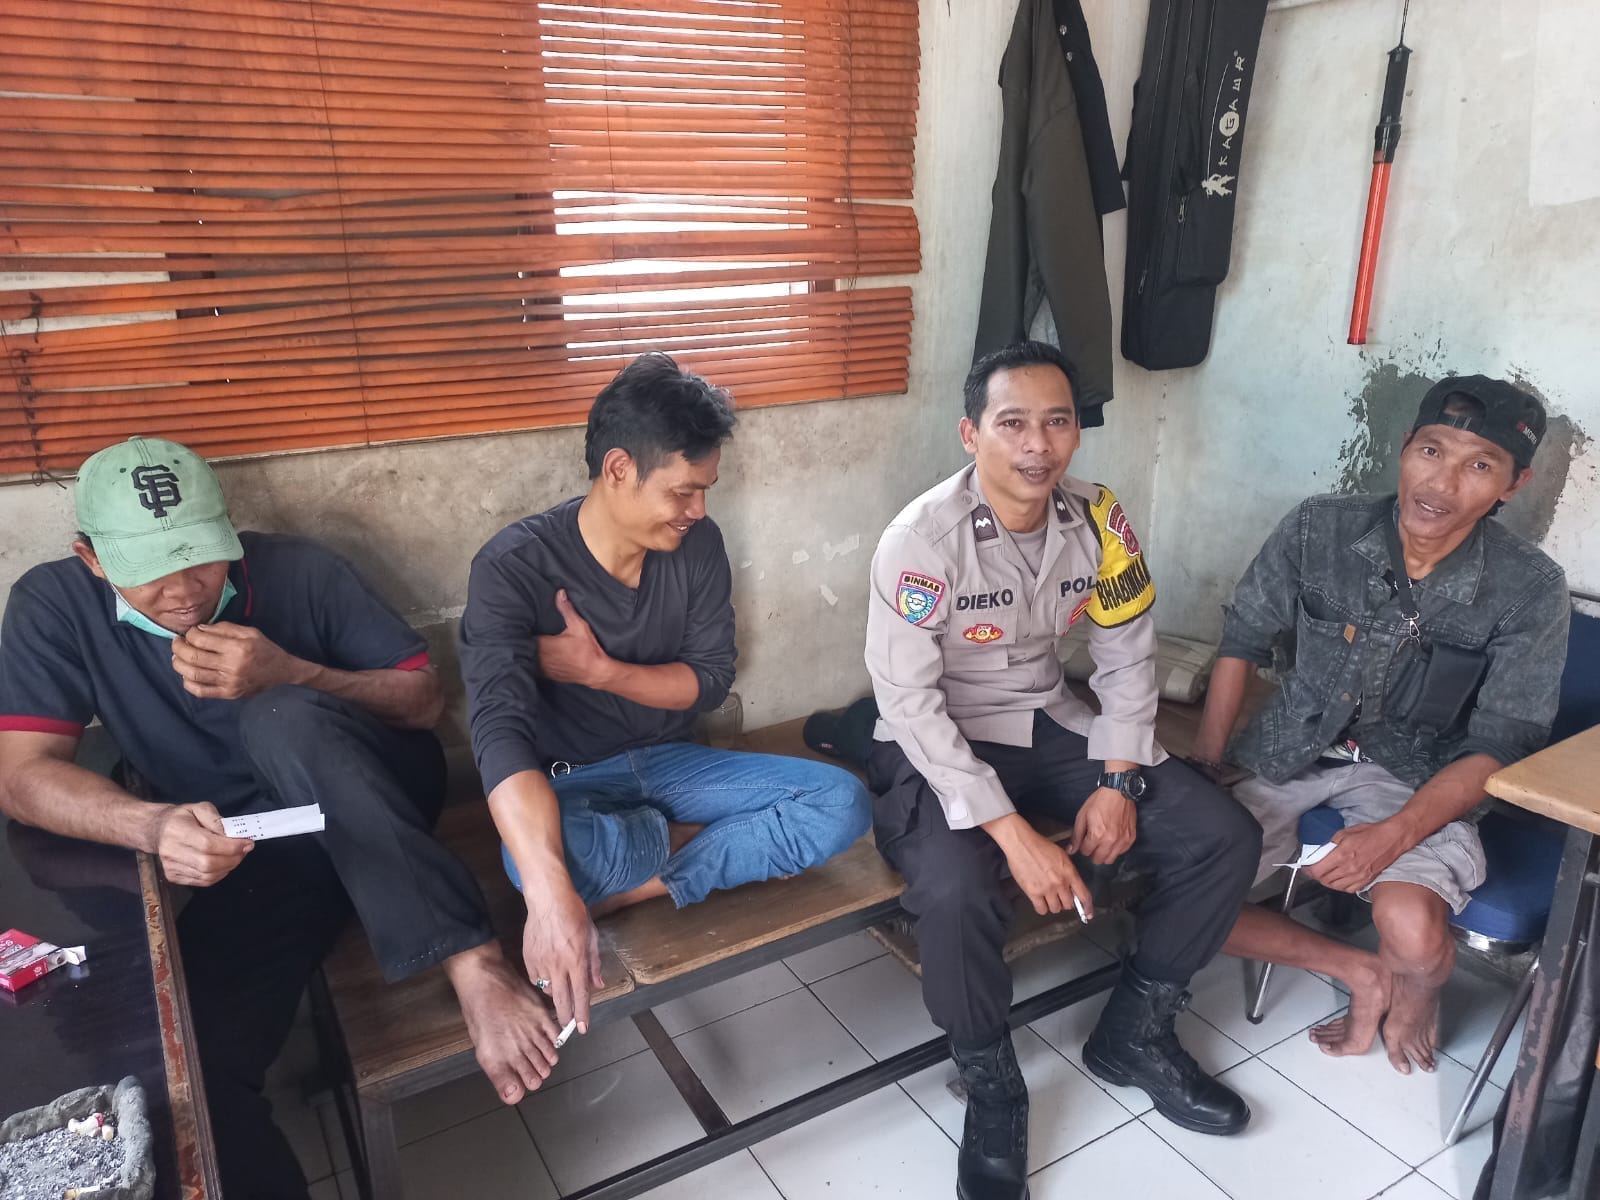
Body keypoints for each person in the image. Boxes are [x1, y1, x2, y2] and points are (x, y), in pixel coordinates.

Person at [0, 437, 560, 1200]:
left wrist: (292, 672)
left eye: (200, 556)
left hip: (373, 790)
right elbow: (21, 776)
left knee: (280, 716)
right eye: (149, 568)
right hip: (261, 851)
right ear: (91, 559)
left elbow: (424, 700)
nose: (183, 589)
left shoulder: (299, 570)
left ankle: (474, 962)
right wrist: (154, 827)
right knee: (189, 1066)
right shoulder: (55, 606)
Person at [864, 341, 1262, 1200]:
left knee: (1221, 834)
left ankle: (1134, 1034)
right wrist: (1012, 836)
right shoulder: (920, 540)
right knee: (954, 889)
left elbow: (1126, 655)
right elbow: (910, 703)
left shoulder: (1098, 518)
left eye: (1057, 421)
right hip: (938, 740)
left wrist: (1117, 781)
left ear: (1077, 432)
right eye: (1012, 423)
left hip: (1048, 719)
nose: (1036, 444)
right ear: (971, 433)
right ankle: (991, 1083)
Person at [461, 351, 872, 1036]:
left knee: (843, 803)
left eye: (706, 490)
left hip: (676, 765)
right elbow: (498, 737)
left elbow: (708, 683)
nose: (698, 510)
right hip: (571, 780)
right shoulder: (512, 566)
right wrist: (551, 890)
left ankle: (630, 888)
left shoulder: (698, 546)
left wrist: (600, 671)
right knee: (528, 860)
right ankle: (701, 848)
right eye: (683, 492)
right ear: (619, 468)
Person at [1195, 376, 1570, 1075]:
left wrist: (1393, 836)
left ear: (1513, 484)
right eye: (1431, 450)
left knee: (1415, 933)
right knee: (1178, 892)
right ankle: (1358, 970)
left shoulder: (1529, 588)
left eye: (1479, 465)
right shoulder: (1321, 527)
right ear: (1404, 447)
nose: (1442, 483)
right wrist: (1207, 770)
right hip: (1290, 749)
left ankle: (1417, 992)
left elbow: (1502, 743)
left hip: (1419, 778)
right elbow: (1242, 639)